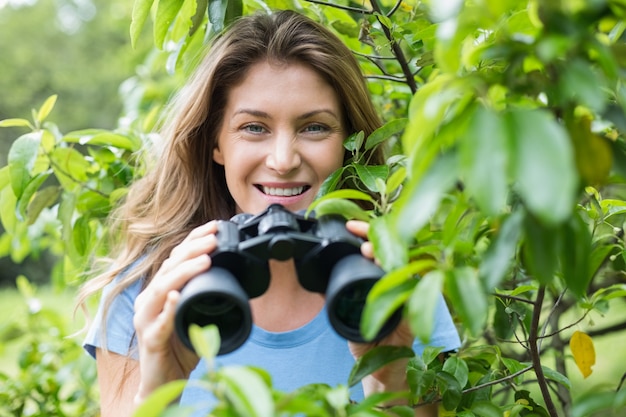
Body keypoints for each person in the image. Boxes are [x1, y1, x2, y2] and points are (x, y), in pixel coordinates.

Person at [80, 9, 461, 417]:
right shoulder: (148, 292)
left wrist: (389, 382)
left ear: (350, 144)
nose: (282, 160)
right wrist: (160, 393)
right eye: (254, 127)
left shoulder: (390, 286)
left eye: (314, 127)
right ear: (216, 143)